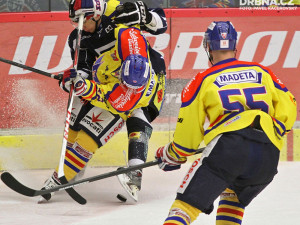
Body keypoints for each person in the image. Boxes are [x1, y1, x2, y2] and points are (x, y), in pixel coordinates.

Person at [155, 21, 297, 225]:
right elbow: (289, 105)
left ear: (208, 47)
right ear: (234, 46)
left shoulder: (201, 80)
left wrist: (170, 155)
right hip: (267, 154)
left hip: (229, 150)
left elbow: (187, 140)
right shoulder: (262, 71)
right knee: (233, 198)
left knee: (185, 207)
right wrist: (275, 130)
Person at [39, 0, 167, 203]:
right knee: (78, 111)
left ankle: (134, 174)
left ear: (96, 14)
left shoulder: (116, 13)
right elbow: (83, 70)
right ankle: (70, 167)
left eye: (82, 21)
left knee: (138, 119)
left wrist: (146, 16)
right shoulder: (78, 38)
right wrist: (73, 81)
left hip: (146, 76)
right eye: (74, 22)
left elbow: (161, 24)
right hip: (108, 79)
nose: (79, 27)